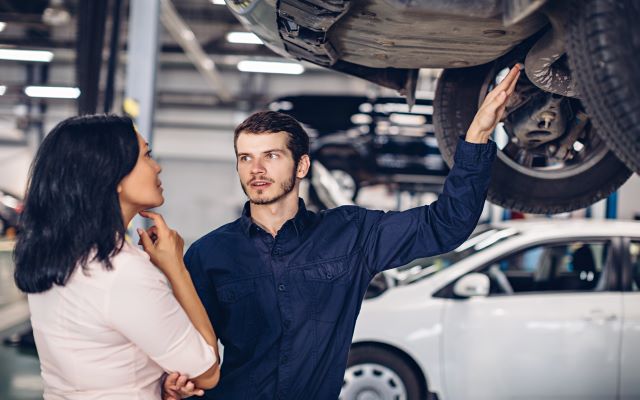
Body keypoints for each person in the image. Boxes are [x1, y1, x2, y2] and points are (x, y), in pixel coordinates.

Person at [173, 66, 521, 399]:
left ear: (302, 166)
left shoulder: (351, 234)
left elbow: (446, 225)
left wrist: (476, 137)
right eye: (245, 158)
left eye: (272, 156)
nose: (257, 169)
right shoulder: (209, 255)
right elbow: (188, 352)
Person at [13, 115, 220, 399]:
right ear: (114, 175)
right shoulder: (122, 272)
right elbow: (207, 372)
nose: (157, 167)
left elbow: (99, 361)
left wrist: (156, 384)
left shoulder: (56, 257)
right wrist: (176, 267)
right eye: (147, 155)